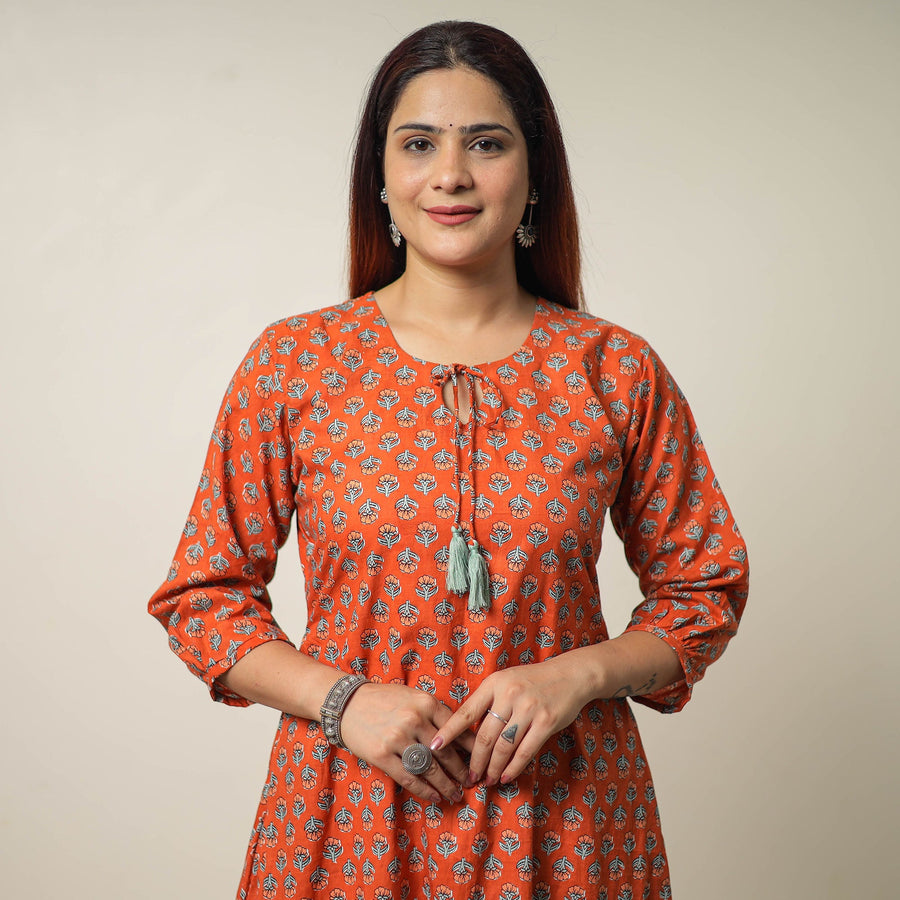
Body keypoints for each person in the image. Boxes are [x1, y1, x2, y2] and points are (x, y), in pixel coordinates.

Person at [149, 20, 749, 900]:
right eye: (420, 143)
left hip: (567, 824)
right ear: (381, 174)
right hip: (346, 818)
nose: (452, 175)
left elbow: (705, 589)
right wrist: (344, 701)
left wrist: (577, 674)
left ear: (535, 173)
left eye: (487, 143)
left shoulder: (614, 369)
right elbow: (202, 599)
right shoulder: (297, 363)